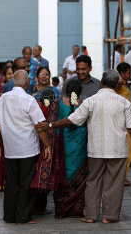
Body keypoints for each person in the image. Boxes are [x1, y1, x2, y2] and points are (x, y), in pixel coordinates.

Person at [35, 70, 131, 224]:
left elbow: (72, 120)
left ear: (102, 82)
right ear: (114, 84)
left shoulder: (90, 101)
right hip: (118, 150)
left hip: (95, 150)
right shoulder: (124, 102)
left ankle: (91, 215)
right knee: (114, 183)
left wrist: (50, 125)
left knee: (93, 182)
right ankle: (109, 216)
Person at [0, 70, 52, 224]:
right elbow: (39, 126)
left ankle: (10, 216)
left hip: (11, 149)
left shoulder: (3, 98)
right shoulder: (29, 100)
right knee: (26, 183)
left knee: (11, 183)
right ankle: (23, 216)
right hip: (27, 148)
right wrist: (47, 145)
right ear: (27, 83)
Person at [52, 79, 88, 218]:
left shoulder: (58, 103)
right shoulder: (84, 104)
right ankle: (77, 209)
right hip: (80, 145)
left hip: (63, 144)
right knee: (79, 174)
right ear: (80, 91)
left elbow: (53, 123)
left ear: (66, 90)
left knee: (63, 173)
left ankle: (62, 209)